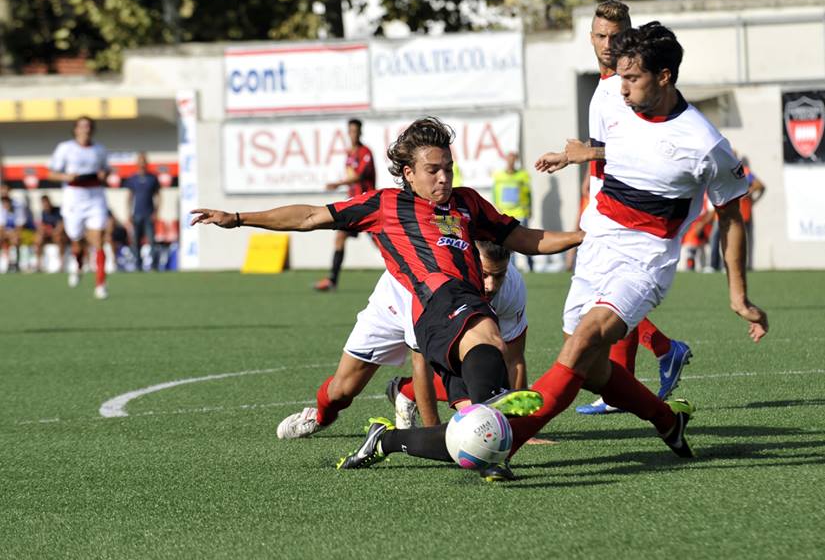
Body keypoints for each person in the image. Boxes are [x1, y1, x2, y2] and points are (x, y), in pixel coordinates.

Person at [340, 24, 769, 481]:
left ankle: (505, 434)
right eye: (619, 77)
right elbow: (626, 147)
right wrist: (583, 153)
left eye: (632, 79)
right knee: (590, 367)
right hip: (598, 243)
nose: (621, 89)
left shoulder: (705, 144)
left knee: (583, 342)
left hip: (645, 258)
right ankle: (668, 419)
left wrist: (738, 294)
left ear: (664, 77)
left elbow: (731, 214)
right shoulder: (615, 101)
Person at [191, 117, 584, 474]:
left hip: (458, 305)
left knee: (468, 434)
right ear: (409, 173)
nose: (443, 178)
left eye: (448, 168)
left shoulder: (467, 202)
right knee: (476, 340)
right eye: (433, 171)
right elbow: (310, 216)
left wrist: (585, 236)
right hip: (435, 302)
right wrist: (239, 218)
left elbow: (525, 239)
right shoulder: (386, 204)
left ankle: (395, 440)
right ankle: (485, 402)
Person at [539, 0, 693, 414]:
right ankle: (648, 361)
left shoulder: (630, 87)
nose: (608, 44)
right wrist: (575, 156)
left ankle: (643, 364)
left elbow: (639, 148)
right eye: (601, 36)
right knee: (599, 300)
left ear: (630, 34)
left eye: (617, 35)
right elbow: (606, 151)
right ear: (590, 38)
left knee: (607, 299)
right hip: (604, 201)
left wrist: (581, 154)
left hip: (628, 208)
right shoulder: (604, 88)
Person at [276, 240, 529, 439]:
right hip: (393, 306)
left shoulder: (512, 286)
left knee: (482, 367)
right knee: (341, 392)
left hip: (451, 314)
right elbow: (422, 366)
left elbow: (513, 359)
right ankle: (319, 417)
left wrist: (521, 430)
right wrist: (436, 434)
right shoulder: (433, 285)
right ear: (467, 262)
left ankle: (404, 391)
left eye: (499, 275)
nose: (491, 285)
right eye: (484, 274)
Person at [46, 116, 111, 299]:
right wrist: (66, 177)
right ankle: (78, 264)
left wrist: (103, 174)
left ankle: (101, 283)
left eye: (89, 126)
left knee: (98, 238)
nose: (85, 129)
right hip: (74, 197)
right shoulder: (65, 148)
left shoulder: (99, 149)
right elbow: (51, 173)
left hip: (95, 196)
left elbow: (107, 171)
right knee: (76, 237)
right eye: (82, 126)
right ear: (75, 129)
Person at [314, 119, 376, 292]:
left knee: (384, 243)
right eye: (351, 131)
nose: (353, 134)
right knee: (340, 237)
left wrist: (337, 183)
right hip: (353, 205)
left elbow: (359, 176)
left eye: (356, 131)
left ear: (360, 132)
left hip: (368, 205)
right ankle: (332, 280)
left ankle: (403, 274)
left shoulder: (366, 152)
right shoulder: (350, 154)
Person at [492, 152, 534, 272]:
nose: (511, 162)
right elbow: (495, 193)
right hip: (506, 214)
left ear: (516, 160)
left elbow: (528, 194)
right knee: (510, 243)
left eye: (513, 159)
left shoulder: (523, 175)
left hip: (520, 212)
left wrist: (529, 209)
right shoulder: (499, 176)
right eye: (509, 159)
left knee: (526, 241)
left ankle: (531, 266)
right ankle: (512, 268)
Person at [124, 152, 161, 271]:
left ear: (146, 163)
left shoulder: (153, 178)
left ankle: (154, 266)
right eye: (140, 161)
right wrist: (128, 213)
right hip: (136, 215)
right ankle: (137, 266)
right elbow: (129, 197)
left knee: (152, 242)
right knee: (136, 242)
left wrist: (156, 212)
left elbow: (158, 196)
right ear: (137, 163)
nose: (142, 163)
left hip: (149, 215)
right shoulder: (132, 179)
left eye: (144, 161)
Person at [0, 185, 33, 272]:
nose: (5, 204)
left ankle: (16, 263)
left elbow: (20, 226)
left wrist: (12, 234)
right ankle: (7, 262)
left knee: (15, 239)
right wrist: (6, 233)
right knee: (2, 238)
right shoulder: (1, 207)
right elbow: (1, 226)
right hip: (7, 232)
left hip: (21, 231)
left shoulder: (18, 205)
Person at [33, 194, 66, 272]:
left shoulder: (58, 211)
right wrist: (44, 231)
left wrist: (53, 232)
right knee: (38, 239)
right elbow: (41, 226)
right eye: (43, 203)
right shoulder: (43, 213)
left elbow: (60, 226)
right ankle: (38, 264)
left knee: (59, 238)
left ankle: (61, 264)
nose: (45, 205)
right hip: (48, 235)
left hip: (57, 234)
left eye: (46, 203)